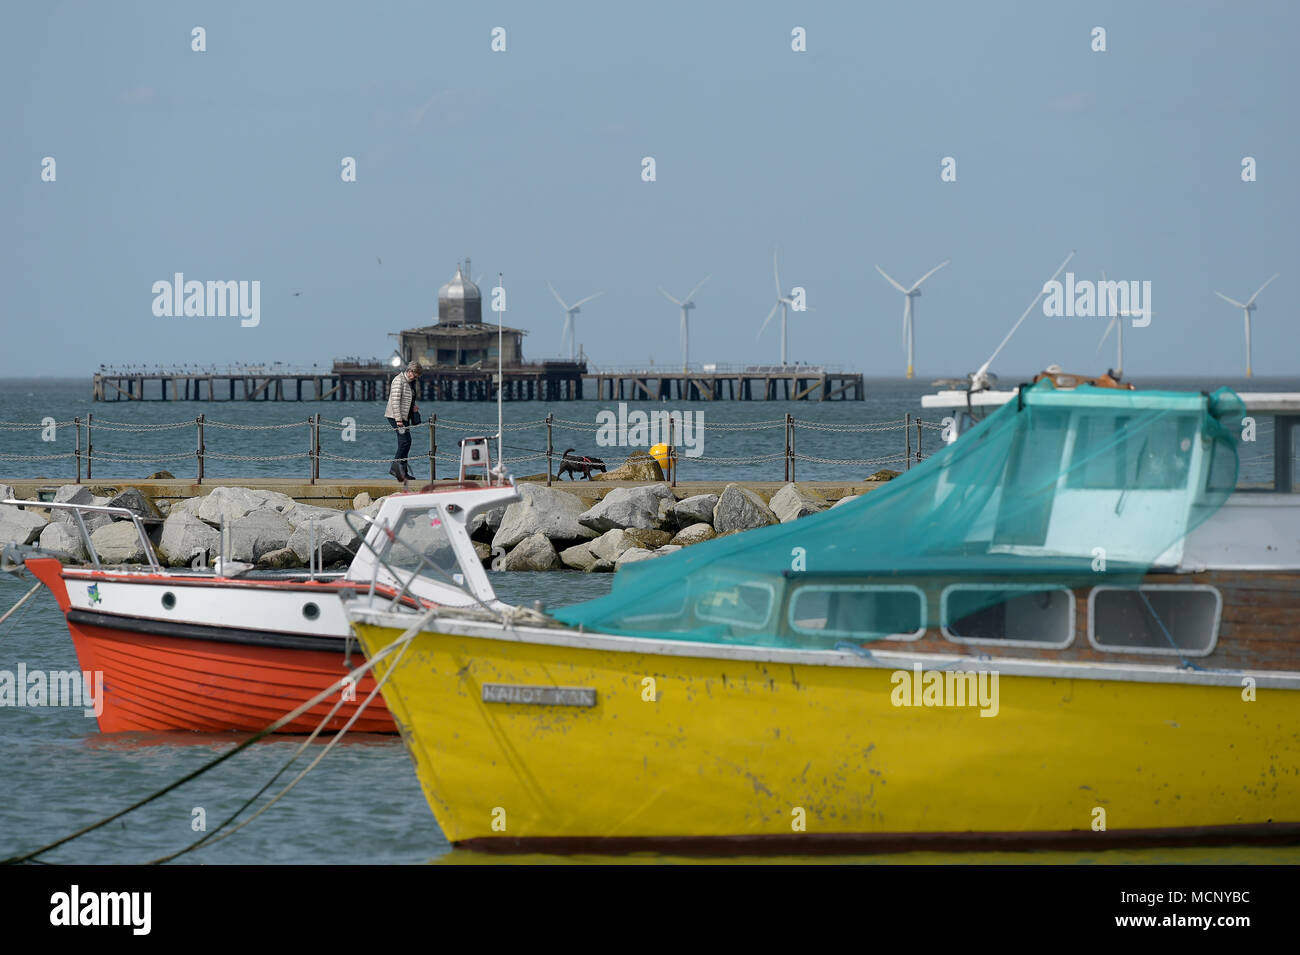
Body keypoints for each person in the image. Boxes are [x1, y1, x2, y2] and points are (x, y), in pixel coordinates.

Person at [384, 361, 423, 486]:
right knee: (404, 442)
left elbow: (406, 399)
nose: (416, 377)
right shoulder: (398, 381)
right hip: (395, 417)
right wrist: (399, 420)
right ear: (410, 371)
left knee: (407, 442)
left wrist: (413, 408)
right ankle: (395, 468)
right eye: (416, 375)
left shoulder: (409, 382)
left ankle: (403, 472)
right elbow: (395, 402)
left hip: (404, 416)